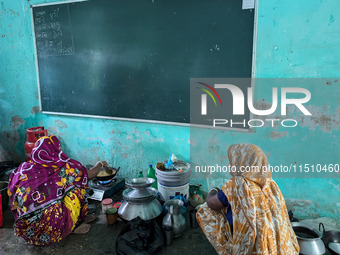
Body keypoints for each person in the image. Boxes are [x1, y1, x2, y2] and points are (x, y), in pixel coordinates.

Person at [196, 143, 300, 255]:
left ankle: (231, 244)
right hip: (275, 242)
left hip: (250, 246)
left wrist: (213, 191)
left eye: (232, 162)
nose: (229, 165)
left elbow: (212, 203)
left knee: (204, 210)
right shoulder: (270, 183)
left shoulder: (237, 185)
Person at [7, 135, 107, 246]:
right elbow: (90, 174)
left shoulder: (23, 168)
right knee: (77, 188)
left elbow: (12, 193)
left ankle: (79, 218)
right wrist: (100, 164)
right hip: (50, 228)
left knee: (60, 189)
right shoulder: (64, 167)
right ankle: (70, 226)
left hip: (27, 227)